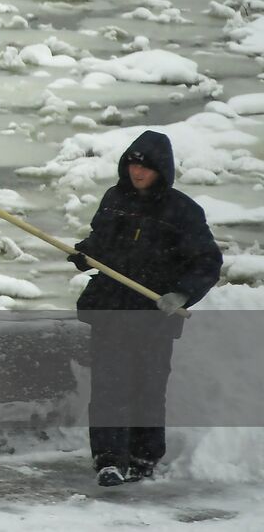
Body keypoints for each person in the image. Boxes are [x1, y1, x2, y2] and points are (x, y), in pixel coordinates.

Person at [66, 130, 222, 488]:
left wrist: (181, 294)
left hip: (153, 317)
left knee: (147, 387)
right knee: (108, 386)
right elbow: (101, 243)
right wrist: (86, 255)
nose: (138, 173)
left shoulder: (182, 211)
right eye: (133, 165)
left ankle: (143, 457)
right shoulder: (114, 199)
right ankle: (108, 459)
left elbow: (207, 261)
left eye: (146, 167)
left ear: (161, 170)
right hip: (110, 309)